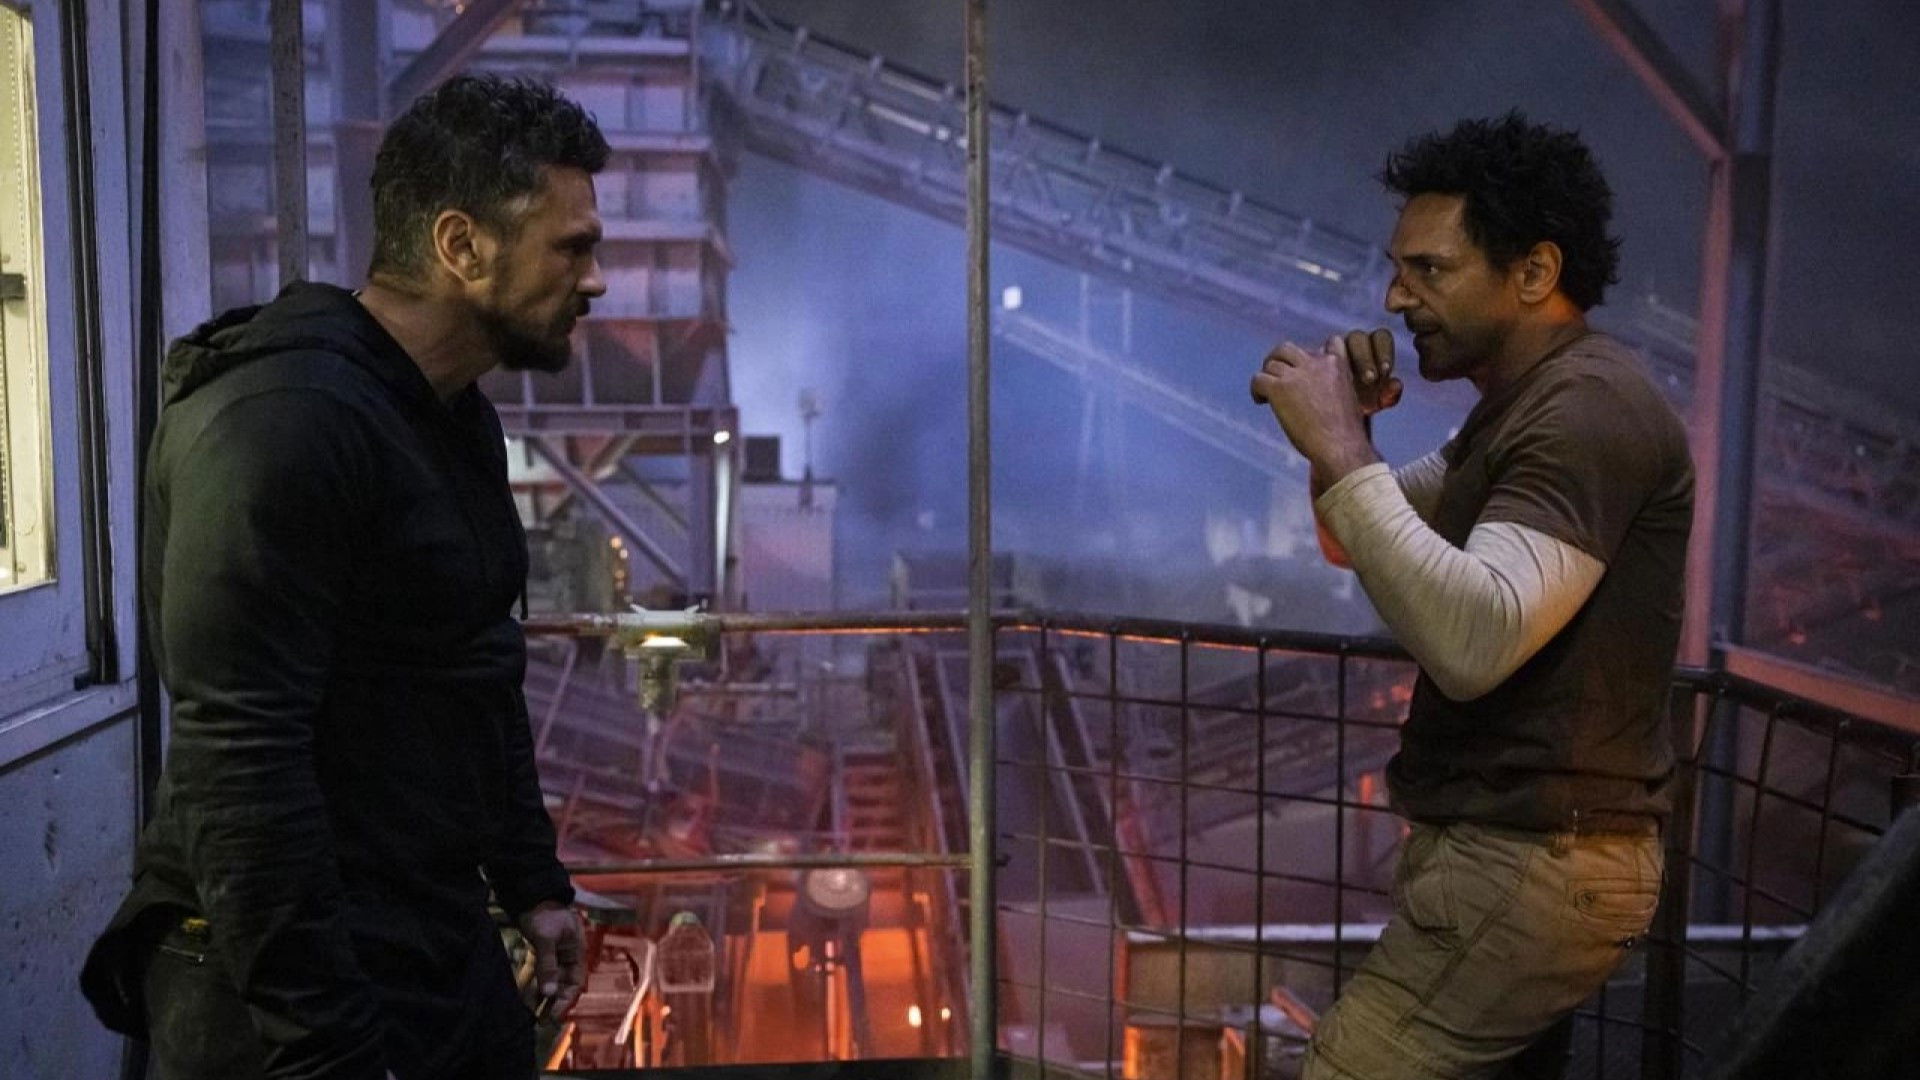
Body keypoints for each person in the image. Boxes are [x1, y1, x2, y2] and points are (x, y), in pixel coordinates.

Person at [81, 74, 611, 1079]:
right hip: (274, 987)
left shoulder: (450, 418)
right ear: (461, 247)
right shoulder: (284, 424)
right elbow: (244, 763)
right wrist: (325, 1048)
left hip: (422, 939)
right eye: (572, 247)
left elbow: (476, 666)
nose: (597, 282)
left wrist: (533, 882)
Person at [1250, 113, 1694, 1079]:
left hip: (1531, 863)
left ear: (1534, 272)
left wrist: (1341, 445)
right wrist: (1349, 437)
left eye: (1430, 269)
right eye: (1398, 269)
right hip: (1518, 855)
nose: (1395, 296)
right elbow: (1351, 538)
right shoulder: (1525, 407)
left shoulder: (1587, 410)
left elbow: (1475, 642)